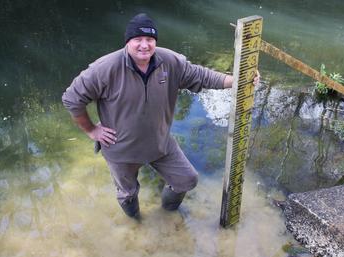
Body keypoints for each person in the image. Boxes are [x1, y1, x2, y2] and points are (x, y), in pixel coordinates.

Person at [62, 13, 259, 219]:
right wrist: (92, 130)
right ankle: (136, 224)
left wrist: (236, 80)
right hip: (121, 149)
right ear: (128, 42)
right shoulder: (105, 68)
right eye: (138, 39)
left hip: (160, 143)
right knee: (128, 194)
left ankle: (167, 214)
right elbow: (72, 99)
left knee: (187, 179)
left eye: (149, 39)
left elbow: (201, 76)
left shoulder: (169, 61)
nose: (144, 45)